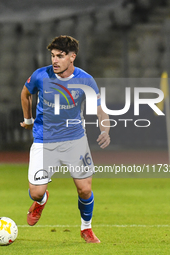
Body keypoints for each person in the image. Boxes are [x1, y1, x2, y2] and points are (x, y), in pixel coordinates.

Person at [20, 35, 110, 243]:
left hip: (74, 140)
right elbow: (25, 94)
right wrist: (28, 119)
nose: (55, 60)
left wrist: (105, 130)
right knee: (35, 192)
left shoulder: (85, 79)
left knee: (85, 188)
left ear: (72, 57)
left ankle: (86, 228)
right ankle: (41, 201)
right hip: (44, 140)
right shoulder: (40, 76)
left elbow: (99, 110)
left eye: (60, 56)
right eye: (53, 56)